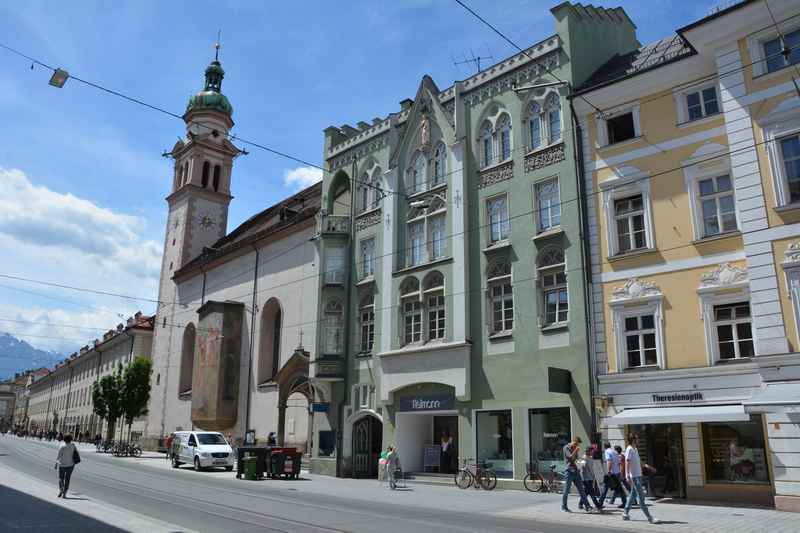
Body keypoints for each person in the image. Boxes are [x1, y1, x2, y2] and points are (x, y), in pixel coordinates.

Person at [623, 434, 659, 524]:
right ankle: (649, 517)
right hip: (634, 477)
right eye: (637, 439)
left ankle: (625, 513)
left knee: (632, 496)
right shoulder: (629, 449)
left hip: (638, 476)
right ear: (633, 440)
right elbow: (627, 462)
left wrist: (649, 467)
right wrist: (627, 476)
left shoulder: (635, 449)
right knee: (641, 497)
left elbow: (639, 461)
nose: (638, 440)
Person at [561, 435, 586, 512]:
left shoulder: (575, 448)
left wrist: (580, 463)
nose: (577, 446)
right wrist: (576, 450)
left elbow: (575, 459)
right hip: (569, 472)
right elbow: (570, 458)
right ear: (573, 442)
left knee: (581, 489)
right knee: (566, 490)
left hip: (576, 471)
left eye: (578, 445)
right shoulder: (566, 448)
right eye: (576, 444)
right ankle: (564, 507)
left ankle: (587, 506)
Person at [599, 442, 626, 508]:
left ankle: (600, 503)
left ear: (604, 446)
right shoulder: (615, 452)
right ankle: (624, 502)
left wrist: (609, 471)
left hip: (612, 473)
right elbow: (619, 463)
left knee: (605, 488)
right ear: (610, 446)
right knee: (619, 489)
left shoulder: (607, 452)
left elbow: (609, 461)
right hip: (617, 472)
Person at [55, 434, 79, 498]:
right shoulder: (73, 445)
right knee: (67, 479)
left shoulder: (62, 446)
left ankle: (61, 489)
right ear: (71, 439)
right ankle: (64, 493)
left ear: (64, 439)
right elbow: (76, 453)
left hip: (62, 465)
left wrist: (56, 464)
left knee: (61, 478)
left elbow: (59, 456)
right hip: (71, 465)